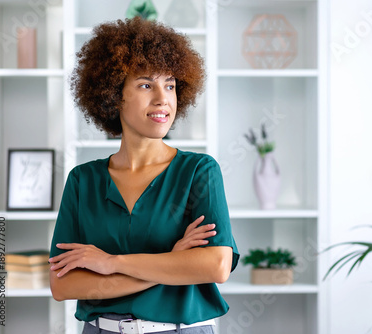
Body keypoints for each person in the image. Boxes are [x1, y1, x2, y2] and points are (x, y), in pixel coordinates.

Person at [48, 17, 239, 334]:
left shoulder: (199, 172)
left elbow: (216, 266)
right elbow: (63, 285)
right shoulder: (83, 180)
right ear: (113, 93)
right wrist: (172, 261)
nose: (163, 98)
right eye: (146, 85)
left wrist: (111, 263)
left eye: (171, 85)